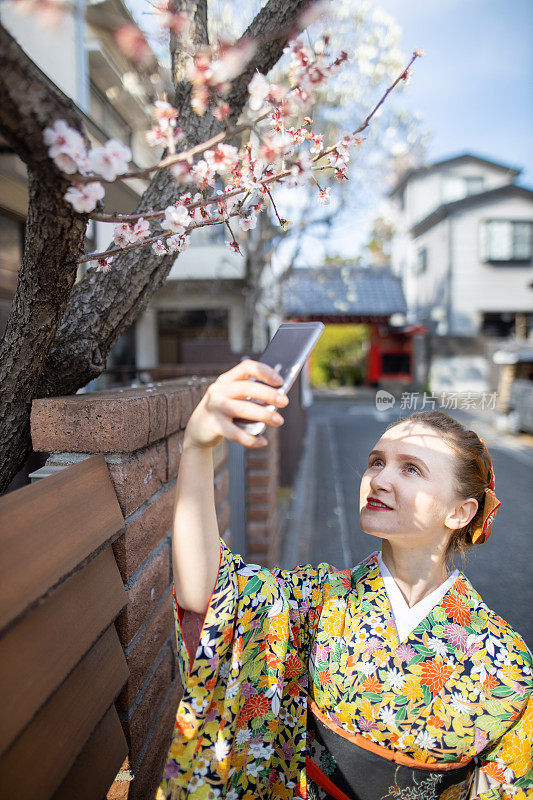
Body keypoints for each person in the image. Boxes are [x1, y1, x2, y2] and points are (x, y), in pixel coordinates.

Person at [156, 360, 533, 800]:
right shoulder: (314, 600)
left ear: (460, 512)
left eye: (410, 469)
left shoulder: (507, 661)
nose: (378, 479)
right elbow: (207, 592)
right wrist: (197, 446)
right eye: (377, 462)